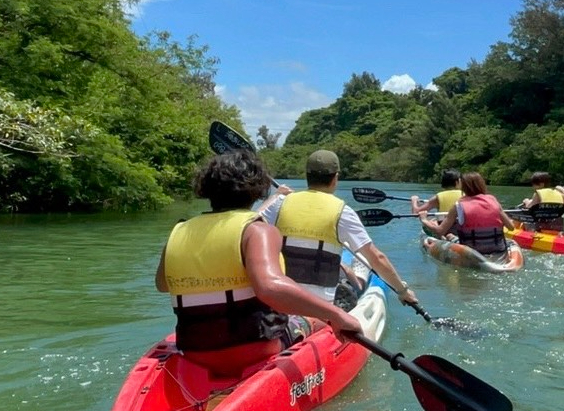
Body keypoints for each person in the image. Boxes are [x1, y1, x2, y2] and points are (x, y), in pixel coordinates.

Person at [155, 149, 362, 378]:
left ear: (207, 188)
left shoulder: (179, 230)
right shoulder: (256, 231)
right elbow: (269, 287)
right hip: (255, 349)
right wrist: (335, 314)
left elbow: (163, 284)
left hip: (194, 350)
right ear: (257, 190)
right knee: (315, 321)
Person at [258, 149, 419, 311]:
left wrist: (275, 197)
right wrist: (403, 290)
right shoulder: (343, 211)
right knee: (361, 257)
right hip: (320, 305)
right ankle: (350, 286)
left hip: (282, 299)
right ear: (335, 179)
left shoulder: (280, 203)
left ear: (307, 176)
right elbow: (377, 257)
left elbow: (248, 224)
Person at [419, 172, 515, 255]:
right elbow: (511, 227)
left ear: (463, 187)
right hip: (497, 248)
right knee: (511, 242)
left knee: (449, 235)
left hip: (471, 251)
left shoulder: (458, 206)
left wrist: (424, 220)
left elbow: (440, 231)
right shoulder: (493, 200)